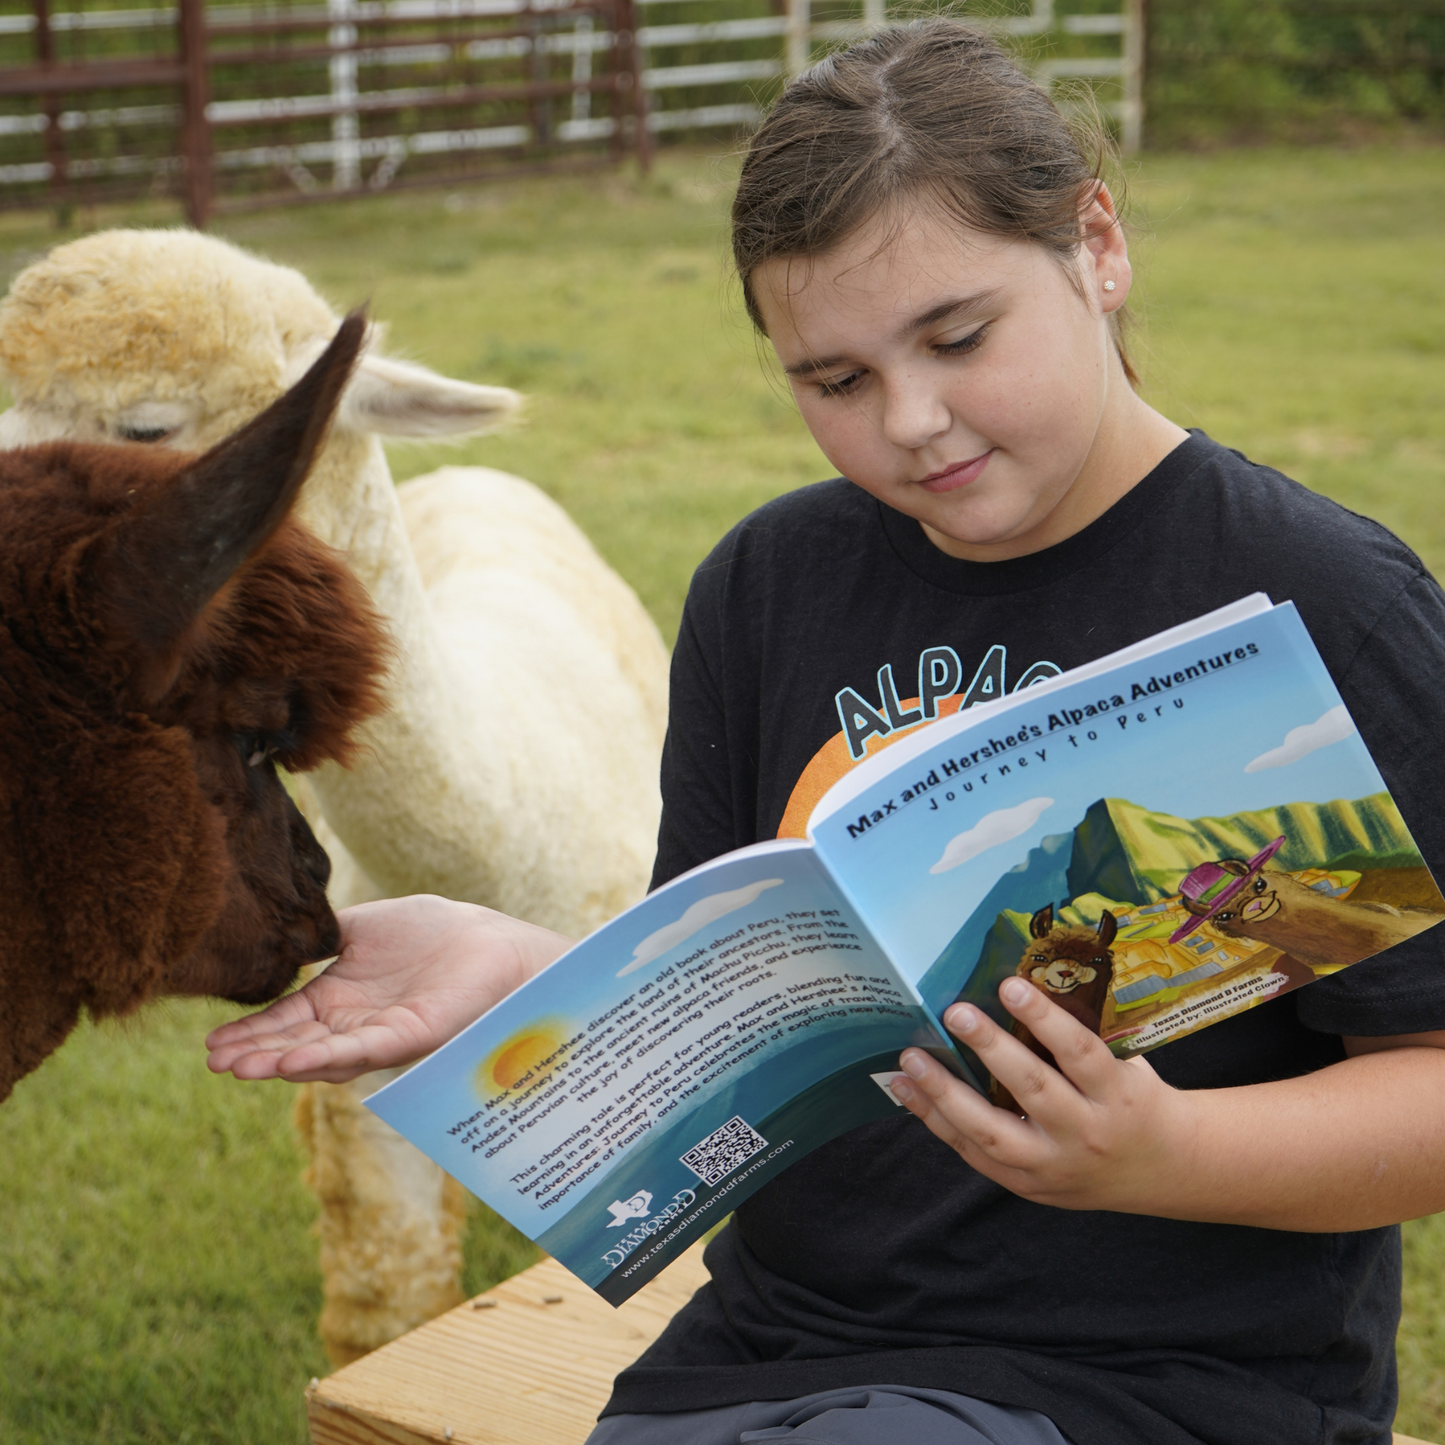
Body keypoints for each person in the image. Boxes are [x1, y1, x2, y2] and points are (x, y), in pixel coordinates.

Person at [206, 21, 1445, 1445]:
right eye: (834, 381)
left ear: (1097, 249)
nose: (910, 422)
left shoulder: (1328, 603)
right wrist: (528, 981)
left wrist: (1165, 1152)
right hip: (772, 1350)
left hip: (1169, 1380)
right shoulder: (766, 585)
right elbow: (768, 1006)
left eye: (959, 337)